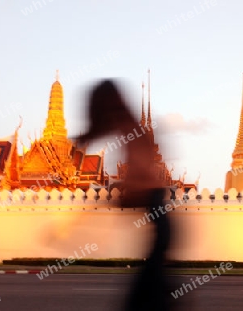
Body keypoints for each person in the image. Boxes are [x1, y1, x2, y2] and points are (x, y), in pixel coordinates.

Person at [76, 79, 172, 311]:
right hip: (159, 222)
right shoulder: (124, 125)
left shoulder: (132, 129)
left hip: (160, 219)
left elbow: (139, 167)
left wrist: (119, 192)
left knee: (140, 297)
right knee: (151, 295)